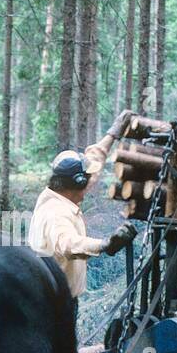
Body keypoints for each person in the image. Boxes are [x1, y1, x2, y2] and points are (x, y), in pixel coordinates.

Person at [29, 122, 137, 313]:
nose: (90, 184)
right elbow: (68, 244)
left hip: (59, 298)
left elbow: (93, 160)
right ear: (77, 182)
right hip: (53, 305)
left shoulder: (62, 191)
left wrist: (113, 133)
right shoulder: (56, 212)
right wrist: (105, 244)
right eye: (86, 181)